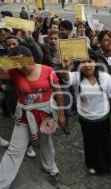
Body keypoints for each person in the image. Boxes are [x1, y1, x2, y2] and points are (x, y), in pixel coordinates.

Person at [0, 45, 66, 188]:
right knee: (14, 149)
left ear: (31, 58)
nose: (22, 69)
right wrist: (7, 62)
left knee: (46, 143)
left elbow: (59, 91)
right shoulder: (14, 72)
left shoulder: (48, 70)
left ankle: (50, 167)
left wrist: (61, 114)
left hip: (46, 116)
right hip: (24, 116)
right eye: (18, 66)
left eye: (25, 64)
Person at [61, 53, 111, 176]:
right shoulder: (76, 77)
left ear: (96, 63)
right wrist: (66, 68)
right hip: (85, 118)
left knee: (105, 142)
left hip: (103, 116)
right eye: (83, 62)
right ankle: (91, 163)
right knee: (89, 142)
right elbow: (66, 78)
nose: (87, 65)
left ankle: (110, 164)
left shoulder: (106, 77)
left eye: (90, 61)